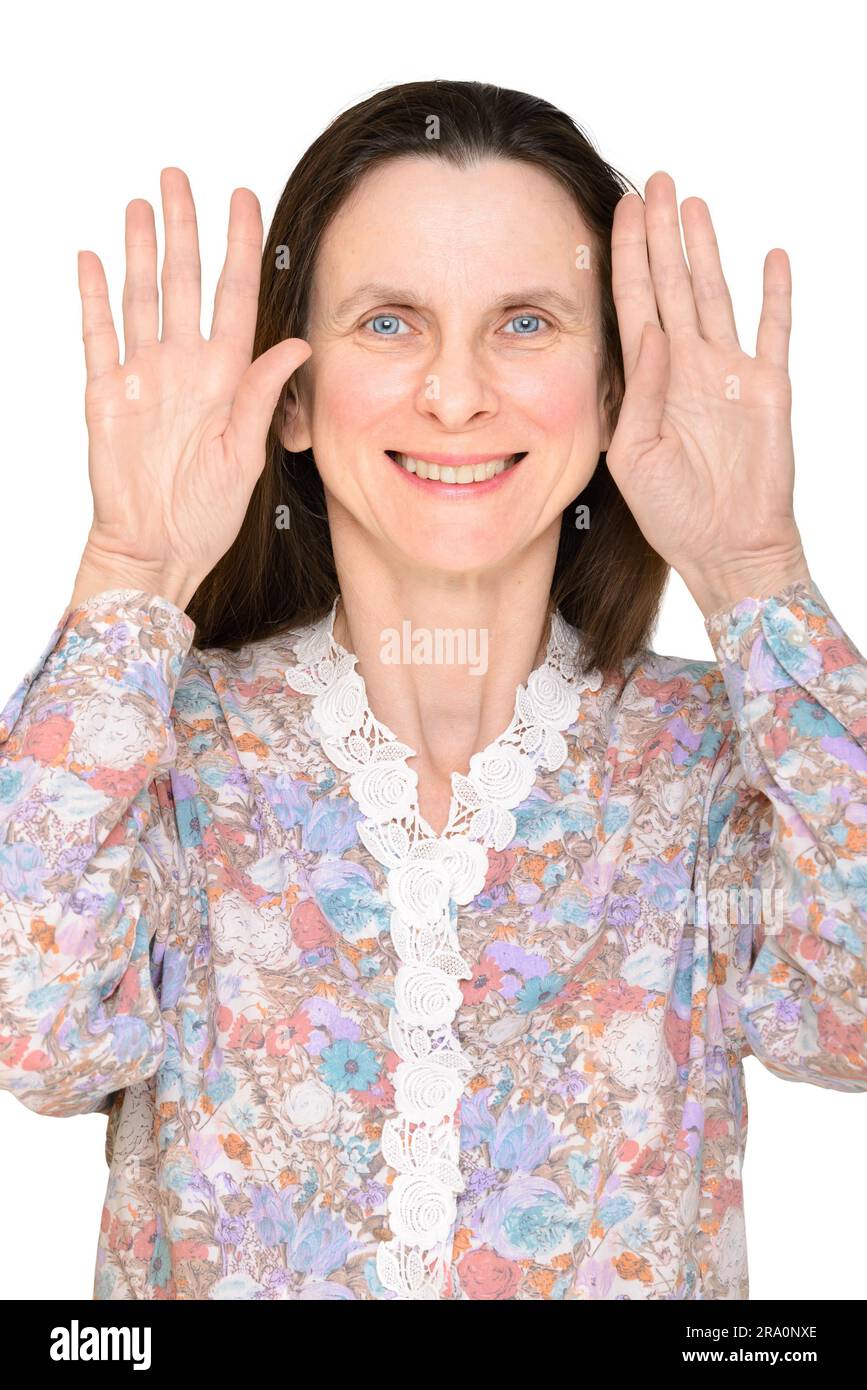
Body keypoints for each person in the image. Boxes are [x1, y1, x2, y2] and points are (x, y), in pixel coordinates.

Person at [0, 79, 864, 1302]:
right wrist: (130, 572)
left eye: (524, 324)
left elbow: (854, 1017)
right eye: (390, 324)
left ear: (615, 393)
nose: (455, 396)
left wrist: (757, 573)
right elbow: (34, 1028)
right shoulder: (164, 749)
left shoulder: (716, 765)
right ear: (290, 397)